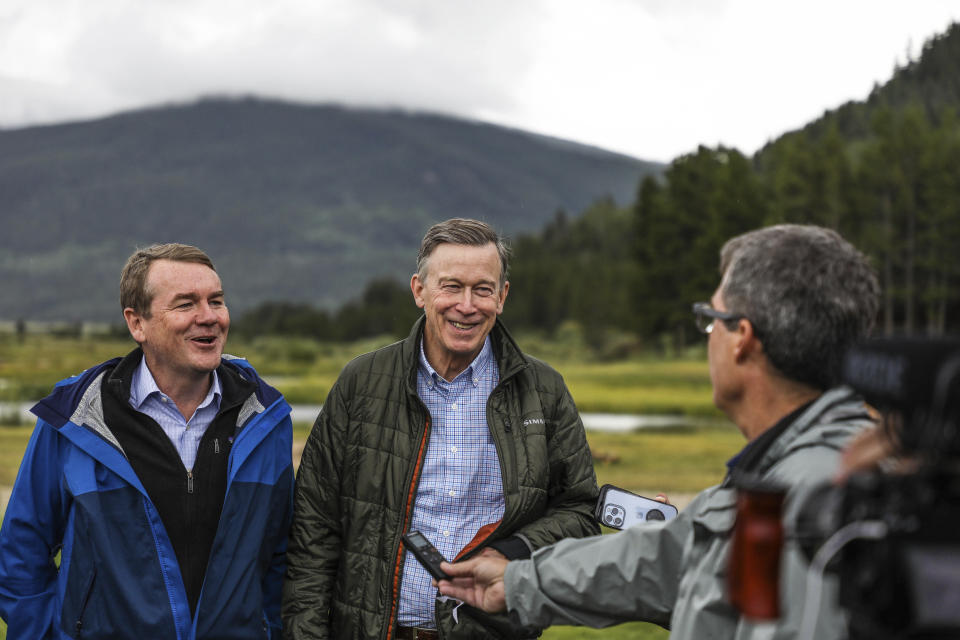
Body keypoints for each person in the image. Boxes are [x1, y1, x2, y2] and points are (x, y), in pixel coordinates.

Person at [437, 224, 881, 640]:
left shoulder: (809, 499)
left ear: (741, 338)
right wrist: (517, 581)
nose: (708, 338)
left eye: (710, 320)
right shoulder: (790, 473)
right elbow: (662, 561)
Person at [283, 218, 600, 639]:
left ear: (502, 297)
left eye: (483, 289)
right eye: (451, 286)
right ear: (420, 290)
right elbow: (314, 528)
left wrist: (511, 553)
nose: (467, 305)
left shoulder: (544, 390)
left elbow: (579, 511)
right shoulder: (361, 382)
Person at [0, 243, 294, 639]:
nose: (208, 317)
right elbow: (21, 553)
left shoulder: (266, 418)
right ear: (137, 323)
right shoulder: (75, 419)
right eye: (185, 304)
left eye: (216, 301)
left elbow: (281, 556)